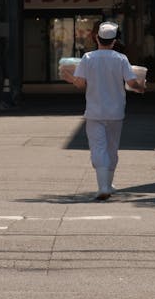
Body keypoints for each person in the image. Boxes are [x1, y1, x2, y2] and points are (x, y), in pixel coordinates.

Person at [62, 20, 145, 200]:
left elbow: (80, 83)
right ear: (114, 41)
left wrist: (69, 77)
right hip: (116, 111)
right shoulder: (121, 59)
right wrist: (141, 87)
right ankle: (108, 183)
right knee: (112, 148)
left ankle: (103, 186)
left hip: (94, 111)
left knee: (98, 148)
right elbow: (132, 83)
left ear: (96, 38)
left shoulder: (88, 58)